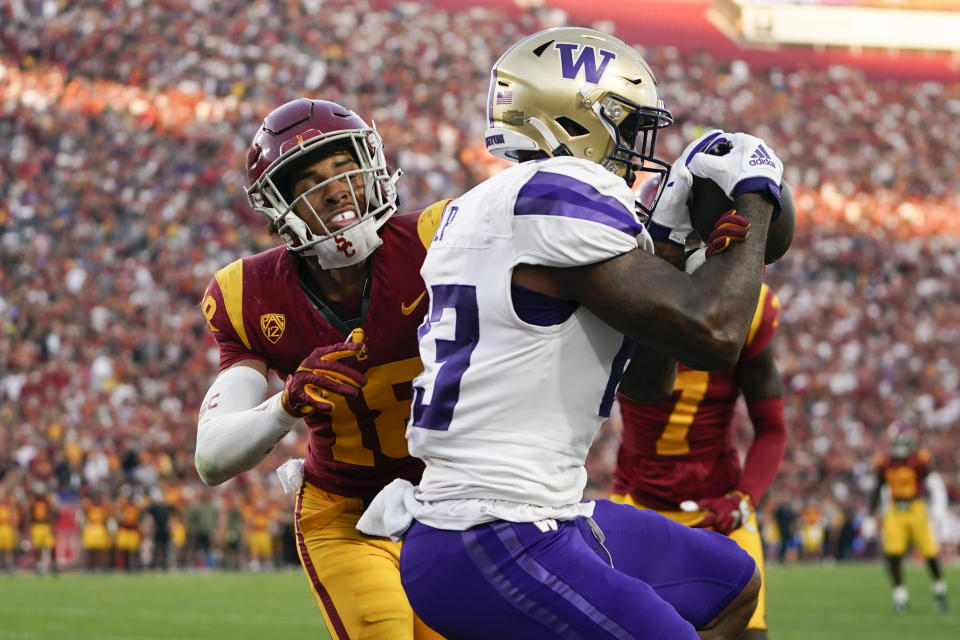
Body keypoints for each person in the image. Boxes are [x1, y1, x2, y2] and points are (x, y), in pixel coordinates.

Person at [358, 26, 786, 639]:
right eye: (628, 125)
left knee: (733, 583)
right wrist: (756, 191)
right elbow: (714, 334)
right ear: (577, 120)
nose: (638, 149)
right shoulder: (559, 190)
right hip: (490, 530)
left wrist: (665, 246)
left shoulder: (491, 202)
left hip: (537, 513)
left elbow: (647, 384)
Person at [193, 98, 447, 640]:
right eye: (307, 178)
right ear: (277, 206)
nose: (334, 188)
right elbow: (211, 459)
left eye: (342, 167)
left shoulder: (439, 239)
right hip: (345, 511)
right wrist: (285, 404)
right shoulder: (247, 295)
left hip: (452, 499)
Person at [610, 236, 786, 640]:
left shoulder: (749, 312)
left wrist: (742, 501)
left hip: (718, 508)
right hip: (638, 504)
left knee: (749, 634)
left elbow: (772, 429)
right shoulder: (616, 297)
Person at [869, 421, 949, 613]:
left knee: (929, 552)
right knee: (893, 554)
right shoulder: (885, 462)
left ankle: (939, 591)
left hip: (916, 508)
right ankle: (900, 598)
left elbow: (934, 483)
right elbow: (877, 487)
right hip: (895, 510)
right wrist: (871, 514)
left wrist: (939, 507)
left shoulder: (919, 460)